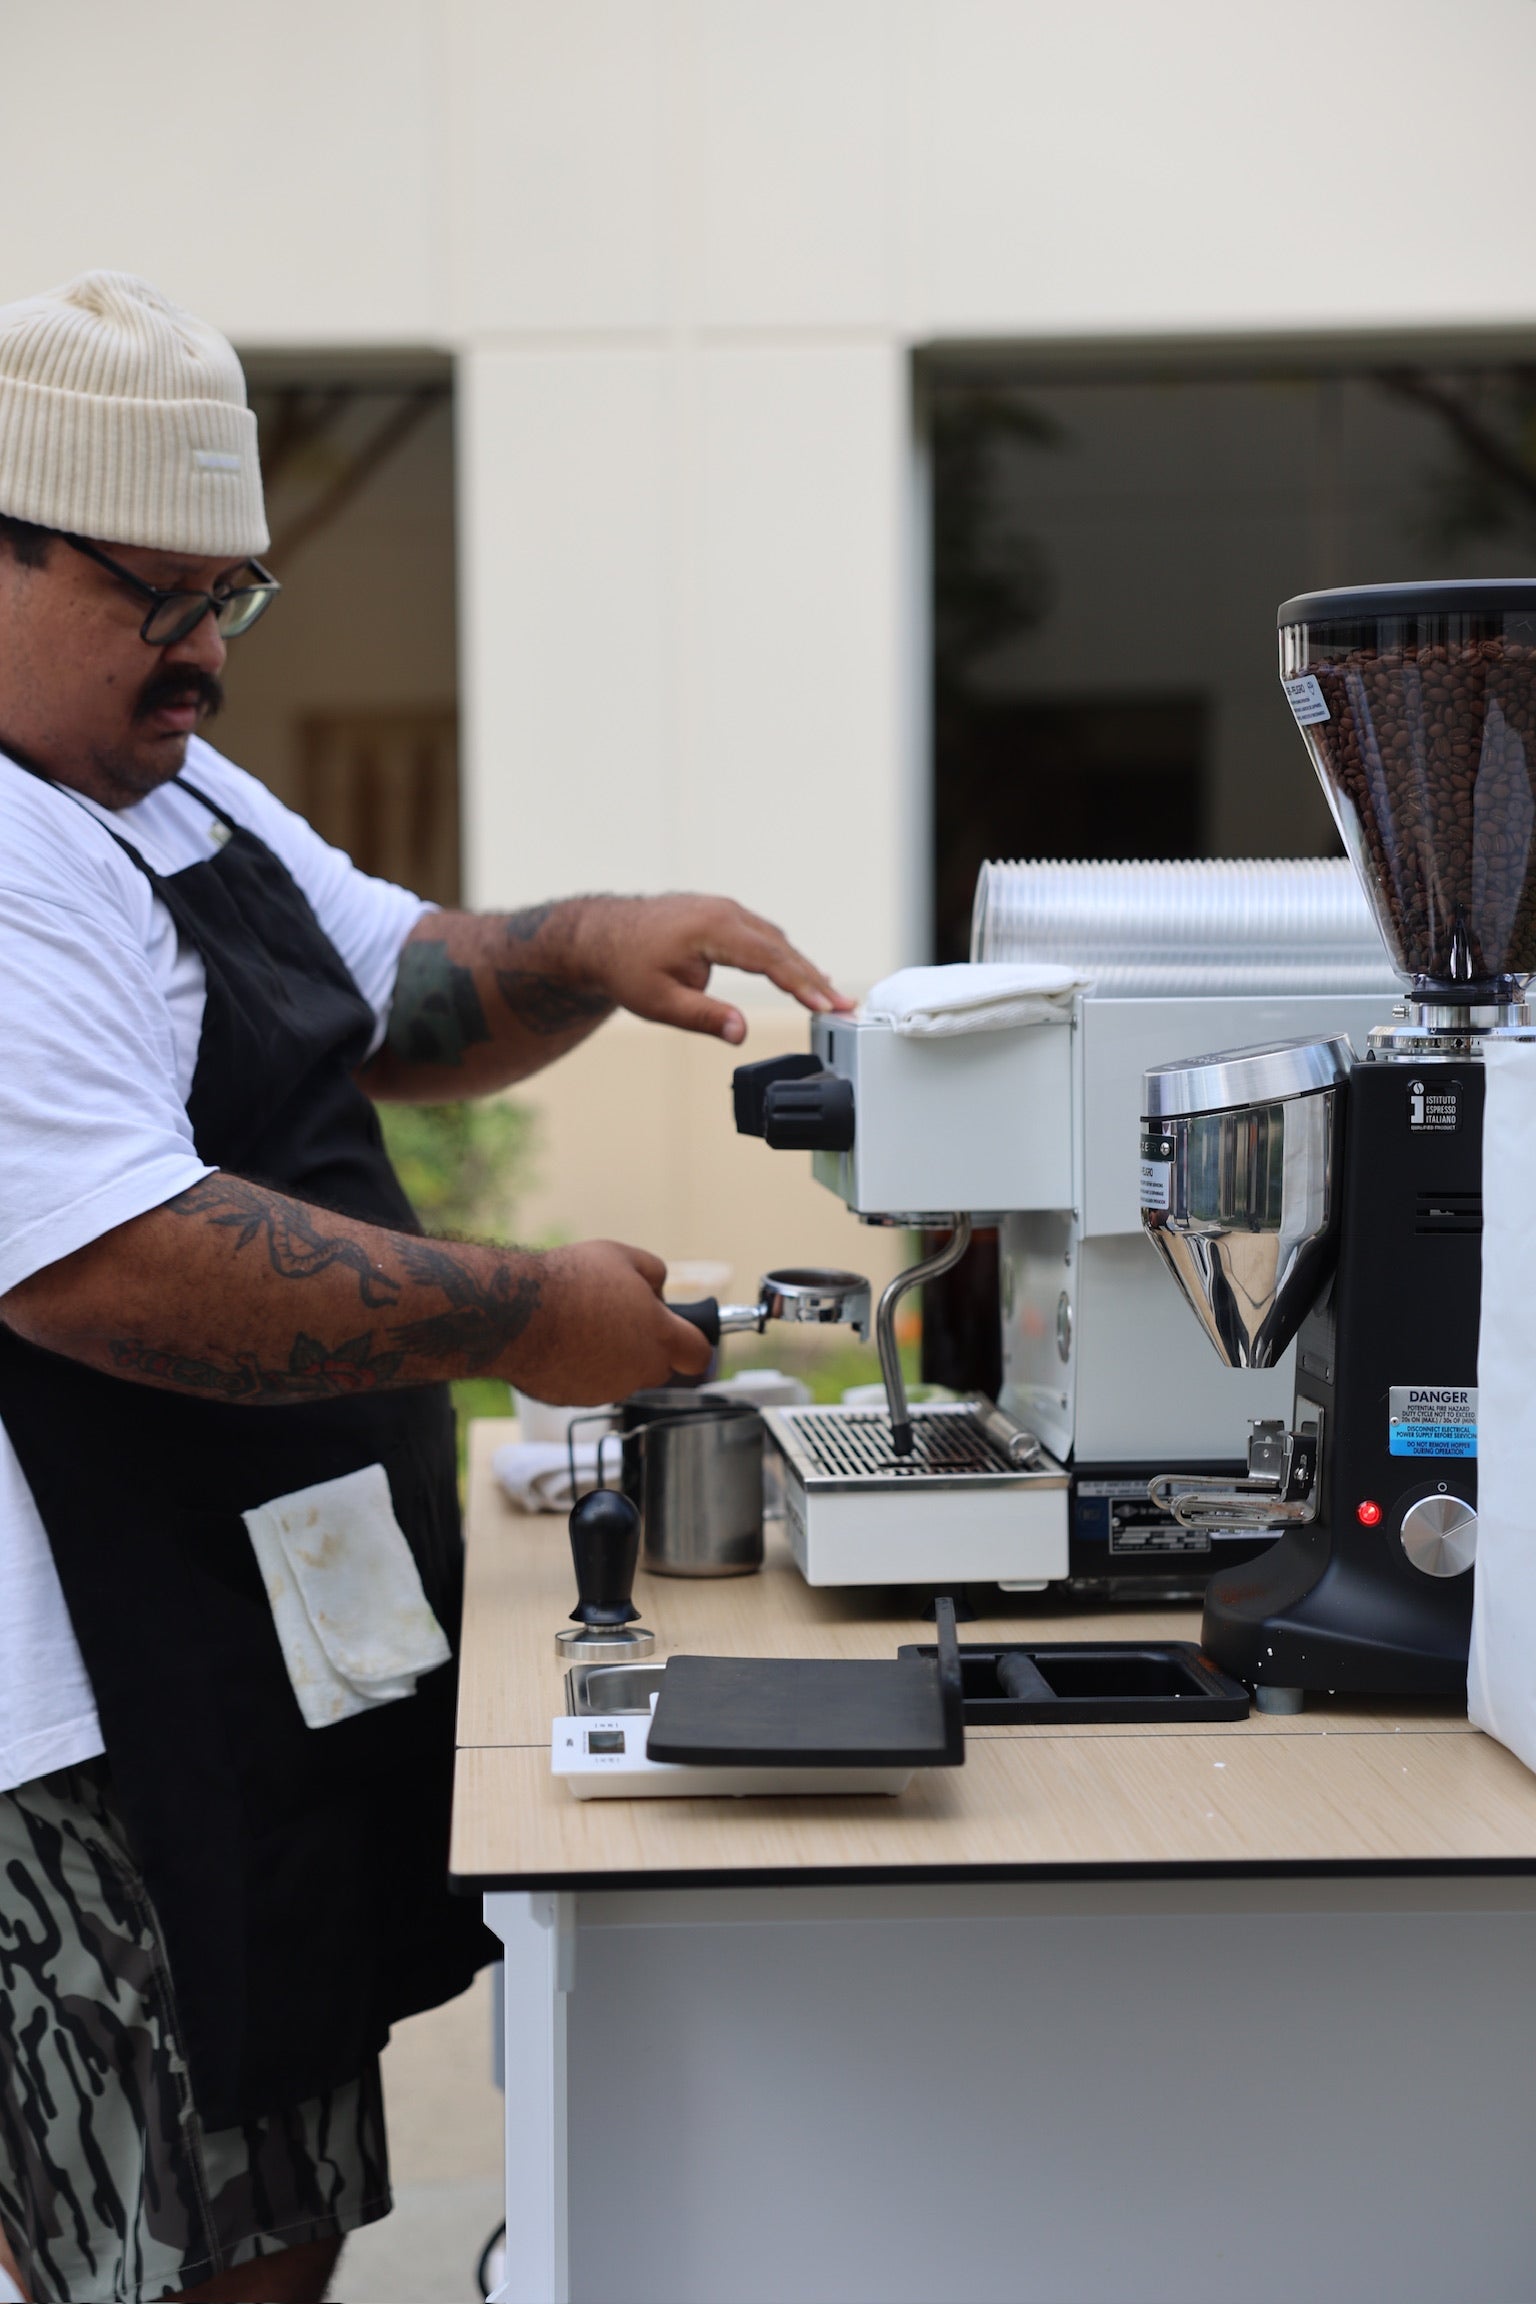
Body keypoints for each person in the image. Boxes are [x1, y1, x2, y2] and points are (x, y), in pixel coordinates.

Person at [0, 271, 850, 2304]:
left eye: (236, 601)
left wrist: (594, 941)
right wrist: (521, 1314)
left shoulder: (153, 786)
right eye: (157, 600)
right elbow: (111, 1269)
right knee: (190, 2248)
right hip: (74, 1683)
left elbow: (387, 987)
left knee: (273, 2199)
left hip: (233, 1613)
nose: (206, 658)